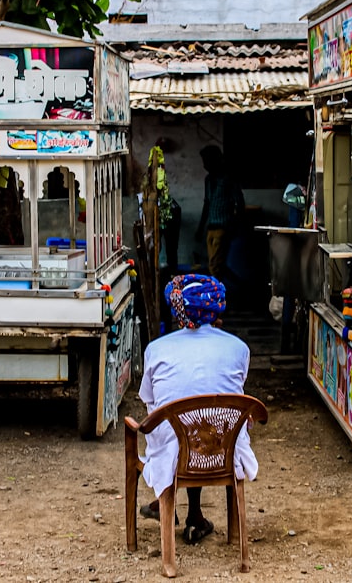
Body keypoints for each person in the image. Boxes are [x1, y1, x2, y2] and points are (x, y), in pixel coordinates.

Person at [137, 274, 259, 545]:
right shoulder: (239, 348)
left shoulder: (156, 350)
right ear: (216, 309)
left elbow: (149, 401)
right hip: (224, 452)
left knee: (173, 426)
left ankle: (165, 501)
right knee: (205, 426)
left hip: (175, 455)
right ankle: (194, 515)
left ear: (180, 312)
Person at [195, 145, 244, 280]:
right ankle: (232, 289)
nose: (205, 165)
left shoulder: (228, 179)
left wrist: (235, 226)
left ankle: (219, 295)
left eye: (207, 161)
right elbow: (207, 203)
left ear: (216, 160)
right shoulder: (208, 180)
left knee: (215, 266)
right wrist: (200, 228)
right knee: (216, 265)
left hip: (223, 228)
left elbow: (239, 202)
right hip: (211, 228)